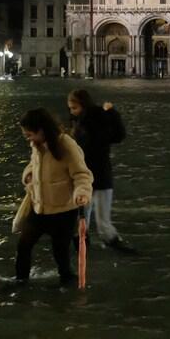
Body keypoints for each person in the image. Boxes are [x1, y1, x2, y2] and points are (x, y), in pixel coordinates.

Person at [13, 108, 93, 286]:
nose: (28, 138)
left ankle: (67, 285)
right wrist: (28, 175)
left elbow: (82, 174)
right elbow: (33, 165)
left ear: (42, 130)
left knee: (61, 254)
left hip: (63, 210)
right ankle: (20, 282)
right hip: (39, 207)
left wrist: (82, 193)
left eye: (30, 134)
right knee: (23, 245)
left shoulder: (67, 145)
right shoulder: (37, 145)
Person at [67, 88, 135, 253]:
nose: (72, 112)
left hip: (86, 176)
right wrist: (112, 113)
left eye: (74, 108)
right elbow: (118, 136)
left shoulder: (85, 125)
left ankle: (83, 251)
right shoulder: (96, 121)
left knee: (83, 218)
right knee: (99, 220)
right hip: (101, 174)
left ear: (83, 105)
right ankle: (115, 246)